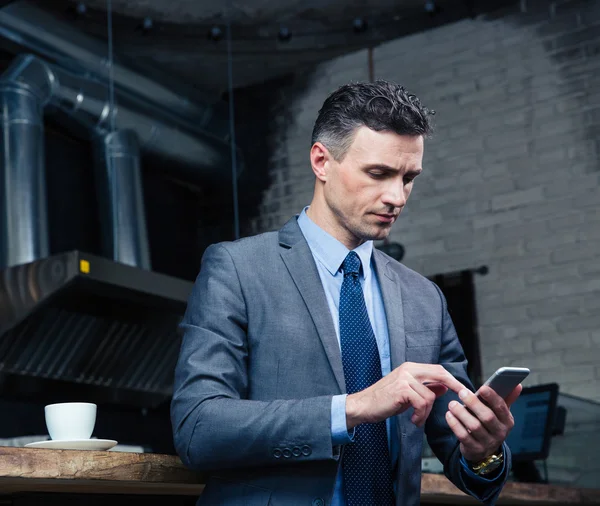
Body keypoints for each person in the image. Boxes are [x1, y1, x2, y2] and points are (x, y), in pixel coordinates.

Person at [171, 80, 521, 506]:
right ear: (321, 160)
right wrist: (353, 407)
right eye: (378, 173)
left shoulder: (424, 298)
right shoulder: (239, 269)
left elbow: (464, 457)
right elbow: (198, 427)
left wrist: (483, 451)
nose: (396, 196)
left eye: (409, 178)